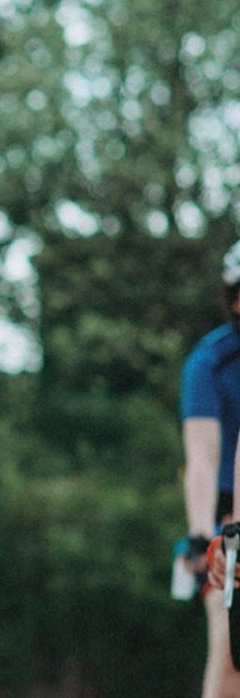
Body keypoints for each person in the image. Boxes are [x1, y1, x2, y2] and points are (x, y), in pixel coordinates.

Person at [183, 239, 240, 698]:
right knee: (230, 653)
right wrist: (203, 535)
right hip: (228, 513)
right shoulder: (211, 361)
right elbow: (202, 455)